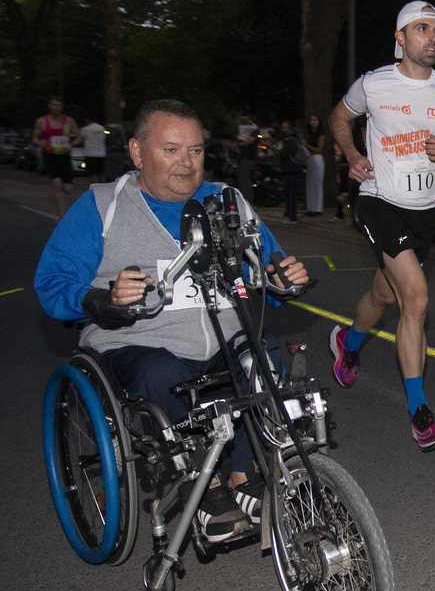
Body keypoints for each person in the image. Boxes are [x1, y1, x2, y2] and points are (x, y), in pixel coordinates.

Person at [34, 99, 310, 542]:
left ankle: (245, 474)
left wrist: (280, 279)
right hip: (140, 345)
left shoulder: (228, 201)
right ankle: (196, 486)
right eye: (171, 150)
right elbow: (51, 284)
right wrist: (102, 298)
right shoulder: (101, 207)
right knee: (160, 372)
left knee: (264, 357)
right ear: (138, 152)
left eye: (196, 151)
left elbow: (265, 268)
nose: (187, 163)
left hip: (224, 339)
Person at [327, 0, 435, 452]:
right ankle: (420, 414)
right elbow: (338, 118)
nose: (432, 37)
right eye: (422, 28)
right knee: (416, 297)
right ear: (400, 38)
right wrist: (353, 156)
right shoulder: (373, 84)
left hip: (424, 210)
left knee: (384, 292)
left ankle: (347, 343)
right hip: (379, 200)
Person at [32, 96, 81, 218]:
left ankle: (63, 192)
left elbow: (79, 136)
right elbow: (35, 138)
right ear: (49, 106)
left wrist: (71, 144)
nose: (57, 108)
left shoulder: (68, 121)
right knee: (56, 182)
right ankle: (60, 214)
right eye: (54, 105)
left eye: (59, 106)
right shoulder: (42, 122)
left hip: (64, 156)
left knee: (68, 189)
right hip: (50, 155)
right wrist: (41, 142)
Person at [278, 120, 308, 223]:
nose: (283, 130)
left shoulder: (290, 141)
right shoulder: (293, 140)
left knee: (291, 193)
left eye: (285, 128)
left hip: (291, 169)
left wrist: (280, 149)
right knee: (291, 193)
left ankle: (291, 215)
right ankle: (289, 214)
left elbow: (284, 152)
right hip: (293, 168)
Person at [303, 114, 327, 216]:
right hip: (310, 158)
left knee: (317, 183)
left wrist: (306, 145)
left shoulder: (321, 134)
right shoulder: (308, 134)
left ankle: (317, 209)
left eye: (315, 120)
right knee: (310, 183)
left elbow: (318, 149)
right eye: (311, 120)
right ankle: (311, 208)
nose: (313, 122)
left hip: (317, 158)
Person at [235, 116, 259, 200]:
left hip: (246, 156)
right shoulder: (251, 129)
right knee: (242, 179)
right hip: (244, 156)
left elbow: (250, 140)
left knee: (245, 179)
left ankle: (247, 199)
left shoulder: (253, 131)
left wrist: (240, 144)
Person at [80, 115, 108, 185]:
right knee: (101, 172)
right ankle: (104, 188)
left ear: (87, 120)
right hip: (102, 153)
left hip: (91, 154)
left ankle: (95, 188)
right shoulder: (102, 128)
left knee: (93, 173)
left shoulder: (85, 129)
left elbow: (82, 140)